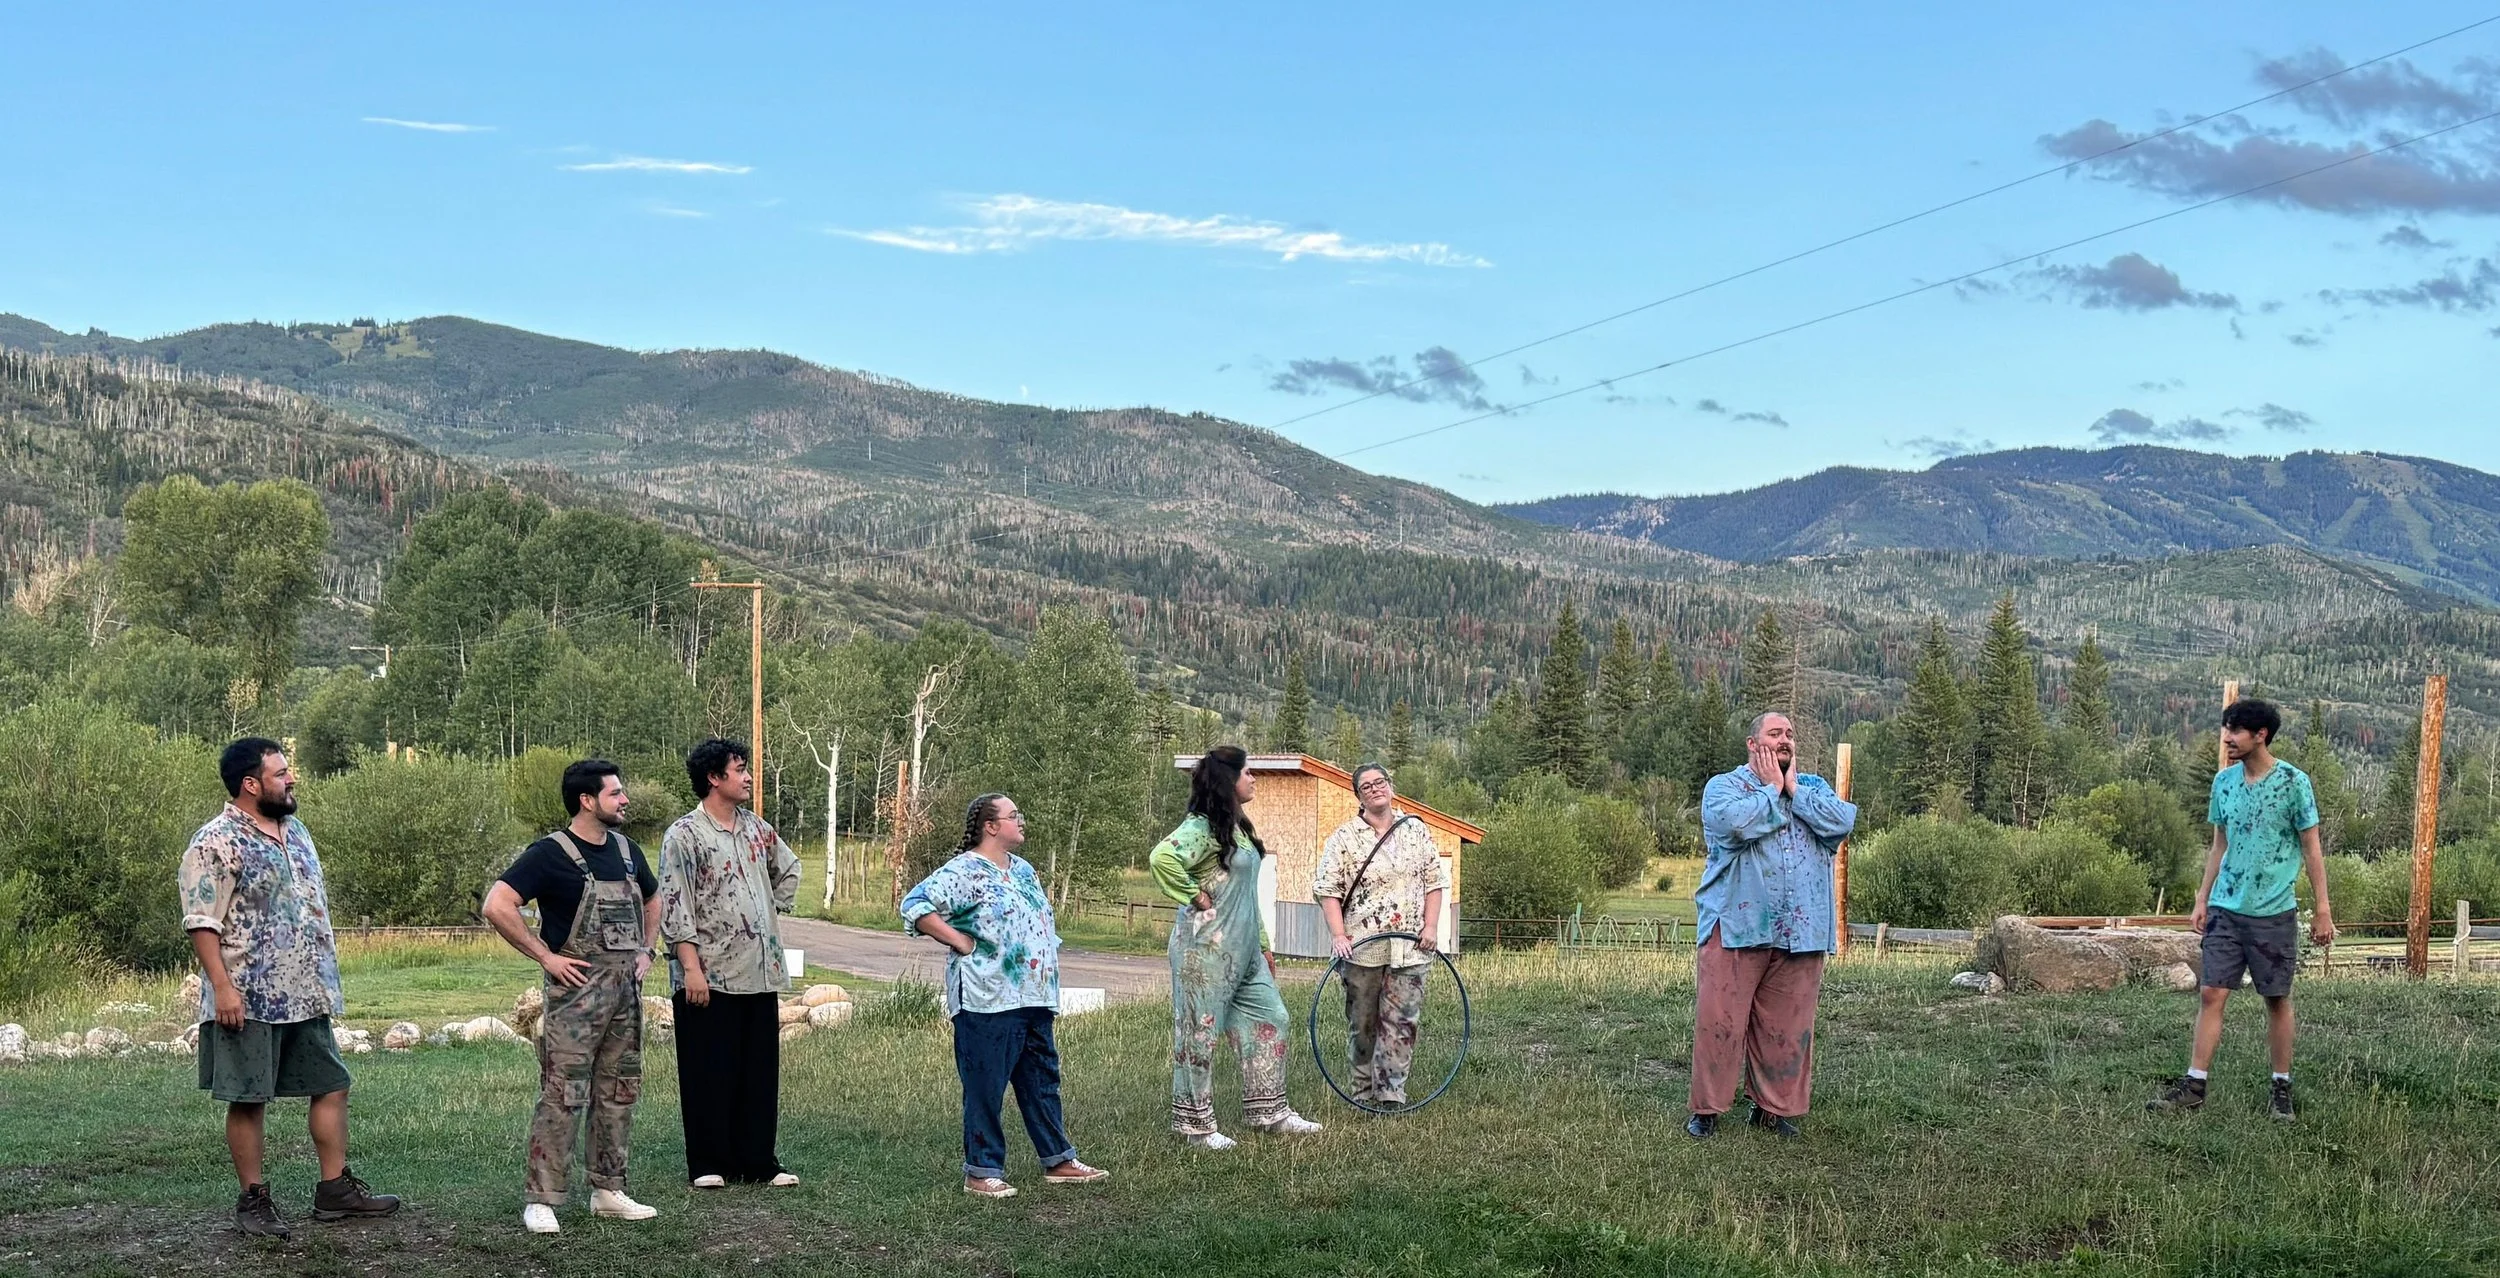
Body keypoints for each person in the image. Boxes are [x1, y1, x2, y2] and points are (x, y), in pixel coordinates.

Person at [180, 738, 400, 1238]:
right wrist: (223, 989)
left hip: (306, 992)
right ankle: (253, 1201)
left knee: (333, 1084)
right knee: (249, 1097)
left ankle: (335, 1191)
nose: (291, 778)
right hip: (248, 996)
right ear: (250, 784)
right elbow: (202, 923)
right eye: (280, 773)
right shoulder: (215, 841)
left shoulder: (295, 831)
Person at [483, 759, 664, 1233]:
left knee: (619, 1090)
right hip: (575, 998)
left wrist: (647, 950)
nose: (625, 800)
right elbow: (497, 905)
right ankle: (542, 1200)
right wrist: (546, 957)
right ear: (587, 800)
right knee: (563, 1093)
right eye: (615, 793)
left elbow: (654, 899)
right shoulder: (550, 854)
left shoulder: (626, 851)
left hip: (625, 997)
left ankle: (608, 1190)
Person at [901, 793, 1111, 1198]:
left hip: (1033, 997)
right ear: (991, 826)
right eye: (1014, 816)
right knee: (986, 1086)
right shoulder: (963, 871)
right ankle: (981, 1171)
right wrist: (959, 940)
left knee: (1042, 1082)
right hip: (987, 997)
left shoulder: (1024, 870)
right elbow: (915, 905)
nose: (1021, 821)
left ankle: (1058, 1160)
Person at [2149, 697, 2337, 1121]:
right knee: (2211, 992)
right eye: (2226, 729)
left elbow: (2312, 848)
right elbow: (2219, 844)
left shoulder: (2294, 783)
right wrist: (2202, 897)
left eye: (2235, 730)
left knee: (2276, 997)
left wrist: (2323, 908)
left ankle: (2281, 1087)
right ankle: (2194, 1086)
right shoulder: (2224, 783)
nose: (2227, 738)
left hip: (2273, 910)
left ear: (2260, 735)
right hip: (2226, 907)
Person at [1687, 712, 1857, 1140]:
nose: (1785, 740)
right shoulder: (1724, 787)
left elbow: (1841, 822)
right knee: (1720, 1022)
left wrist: (1793, 790)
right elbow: (1734, 825)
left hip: (1801, 928)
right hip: (1737, 923)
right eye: (1774, 733)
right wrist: (1771, 790)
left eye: (1790, 735)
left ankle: (1771, 1109)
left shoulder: (1813, 787)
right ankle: (1708, 1110)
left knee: (1788, 1027)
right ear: (1752, 744)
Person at [1149, 745, 1324, 1148]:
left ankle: (1269, 1111)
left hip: (1244, 951)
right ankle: (1196, 1128)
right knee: (1199, 1034)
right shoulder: (1201, 828)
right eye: (1248, 773)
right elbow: (1161, 858)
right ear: (1229, 780)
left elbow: (1247, 894)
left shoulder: (1236, 828)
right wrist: (1195, 895)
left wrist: (1263, 945)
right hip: (1203, 952)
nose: (1253, 779)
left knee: (1273, 1017)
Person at [658, 738, 803, 1188]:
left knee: (757, 1072)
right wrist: (691, 968)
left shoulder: (757, 828)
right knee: (709, 1070)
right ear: (713, 778)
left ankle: (758, 1162)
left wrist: (765, 912)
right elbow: (675, 904)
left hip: (759, 971)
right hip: (709, 973)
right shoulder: (684, 835)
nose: (748, 777)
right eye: (739, 769)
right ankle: (709, 1164)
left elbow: (789, 868)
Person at [1313, 762, 1449, 1106]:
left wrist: (1430, 926)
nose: (1375, 789)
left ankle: (1391, 1093)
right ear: (1358, 797)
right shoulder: (1344, 838)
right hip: (1362, 948)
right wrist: (1339, 935)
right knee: (1364, 1023)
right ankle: (1363, 1092)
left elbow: (1435, 881)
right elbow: (1327, 890)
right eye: (1366, 786)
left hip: (1412, 947)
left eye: (1380, 782)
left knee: (1402, 1022)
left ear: (1391, 786)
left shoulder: (1415, 830)